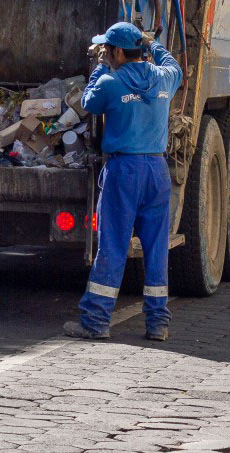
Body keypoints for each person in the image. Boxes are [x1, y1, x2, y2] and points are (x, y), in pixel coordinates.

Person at [63, 22, 183, 343]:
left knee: (113, 245)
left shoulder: (110, 83)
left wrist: (99, 67)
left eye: (108, 50)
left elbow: (88, 102)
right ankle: (157, 323)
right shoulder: (163, 79)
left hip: (123, 171)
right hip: (157, 172)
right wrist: (152, 45)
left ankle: (96, 320)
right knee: (157, 249)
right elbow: (174, 65)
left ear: (116, 52)